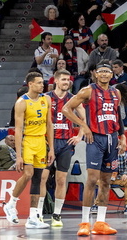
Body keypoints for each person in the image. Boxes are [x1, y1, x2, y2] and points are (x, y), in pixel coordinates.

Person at [62, 61, 127, 237]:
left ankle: (100, 222)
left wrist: (123, 136)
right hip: (95, 139)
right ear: (96, 74)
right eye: (101, 71)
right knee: (91, 180)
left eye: (108, 71)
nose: (105, 74)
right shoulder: (88, 91)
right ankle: (84, 223)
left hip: (112, 139)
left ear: (112, 74)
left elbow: (117, 117)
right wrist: (84, 126)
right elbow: (66, 108)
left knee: (106, 182)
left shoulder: (116, 92)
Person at [2, 72, 54, 229]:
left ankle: (33, 217)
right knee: (28, 174)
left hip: (41, 142)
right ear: (30, 84)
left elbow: (49, 124)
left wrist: (51, 148)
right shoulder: (21, 102)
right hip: (28, 141)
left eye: (42, 82)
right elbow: (18, 130)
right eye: (38, 83)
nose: (42, 85)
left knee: (38, 179)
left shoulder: (47, 99)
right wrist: (18, 155)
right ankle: (11, 203)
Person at [46, 69, 85, 228]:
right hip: (47, 142)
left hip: (65, 143)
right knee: (42, 178)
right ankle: (37, 215)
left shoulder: (73, 99)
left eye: (68, 80)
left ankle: (56, 215)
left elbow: (84, 118)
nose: (66, 82)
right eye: (63, 79)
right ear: (55, 81)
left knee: (61, 179)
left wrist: (80, 136)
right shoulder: (46, 98)